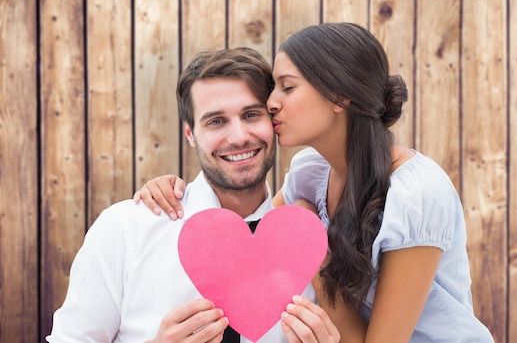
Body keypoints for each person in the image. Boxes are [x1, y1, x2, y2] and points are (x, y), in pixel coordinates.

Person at [137, 23, 495, 342]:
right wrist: (176, 190)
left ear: (340, 96)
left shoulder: (416, 193)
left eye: (287, 87)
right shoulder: (311, 171)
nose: (271, 102)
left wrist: (313, 240)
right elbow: (248, 235)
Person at [47, 48, 340, 343]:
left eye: (251, 115)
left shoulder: (312, 246)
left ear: (273, 122)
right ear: (190, 134)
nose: (238, 137)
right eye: (216, 121)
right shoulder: (125, 230)